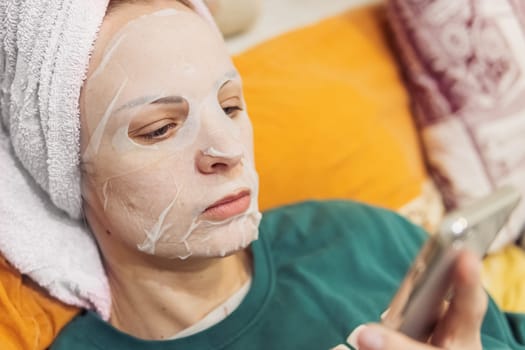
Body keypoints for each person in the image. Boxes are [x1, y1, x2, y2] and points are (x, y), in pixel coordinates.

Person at [0, 1, 524, 349]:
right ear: (68, 169)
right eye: (159, 129)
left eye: (230, 106)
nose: (227, 149)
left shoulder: (364, 237)